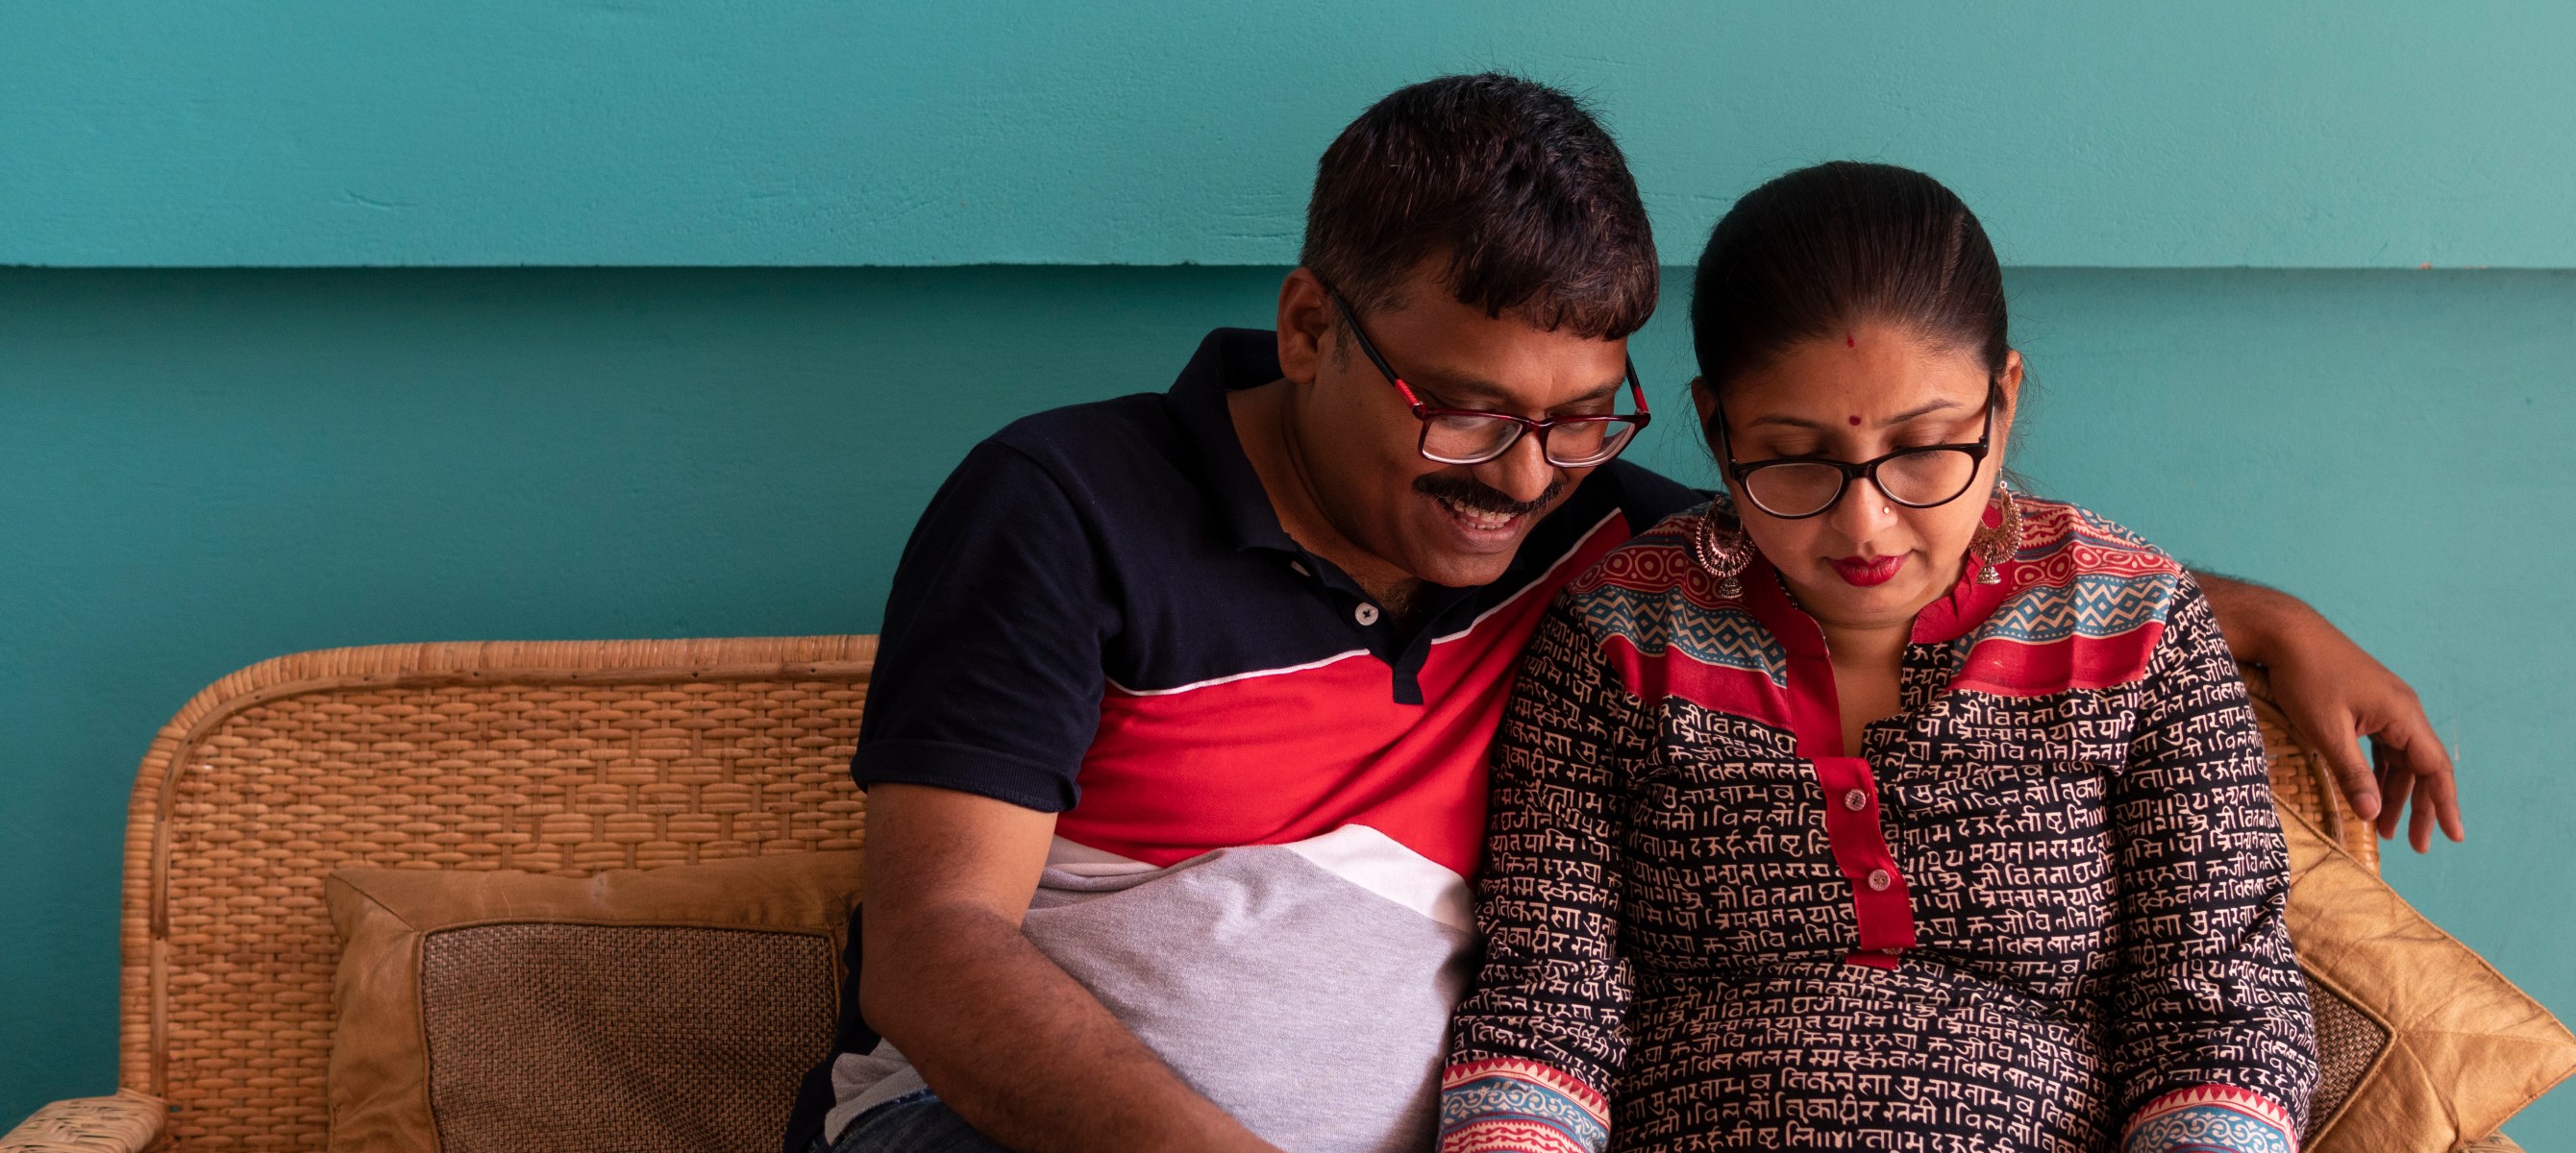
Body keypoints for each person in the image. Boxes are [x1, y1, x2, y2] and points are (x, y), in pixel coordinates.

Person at [788, 76, 2453, 1153]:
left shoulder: (1597, 534)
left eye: (1584, 415)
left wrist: (2258, 617)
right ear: (1308, 327)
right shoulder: (1063, 510)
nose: (1520, 483)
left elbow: (1892, 547)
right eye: (1469, 409)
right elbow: (940, 957)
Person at [1439, 161, 2320, 1153]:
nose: (1866, 525)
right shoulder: (1615, 639)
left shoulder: (2138, 630)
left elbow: (2220, 1019)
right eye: (1795, 456)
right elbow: (1547, 1008)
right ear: (1718, 432)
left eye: (1926, 448)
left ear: (2004, 402)